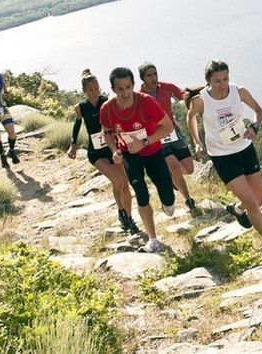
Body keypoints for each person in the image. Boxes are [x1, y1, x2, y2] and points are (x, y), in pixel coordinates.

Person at [185, 60, 262, 260]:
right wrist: (196, 142)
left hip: (245, 149)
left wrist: (254, 127)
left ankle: (237, 209)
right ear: (208, 82)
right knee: (253, 204)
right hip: (222, 157)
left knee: (259, 199)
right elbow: (190, 117)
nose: (222, 85)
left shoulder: (239, 92)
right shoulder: (201, 101)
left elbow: (259, 112)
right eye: (217, 81)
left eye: (225, 79)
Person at [100, 67, 176, 253]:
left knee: (168, 196)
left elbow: (168, 127)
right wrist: (114, 151)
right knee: (140, 191)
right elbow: (107, 132)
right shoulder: (108, 109)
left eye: (128, 87)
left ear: (133, 85)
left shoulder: (146, 102)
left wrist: (144, 142)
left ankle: (167, 201)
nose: (125, 93)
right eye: (120, 89)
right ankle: (153, 239)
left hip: (153, 151)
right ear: (113, 89)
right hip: (129, 155)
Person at [68, 69, 139, 234]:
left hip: (112, 148)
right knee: (117, 181)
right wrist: (73, 144)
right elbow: (77, 125)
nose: (94, 92)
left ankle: (129, 219)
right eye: (90, 90)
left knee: (125, 184)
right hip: (96, 153)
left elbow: (118, 119)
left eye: (97, 88)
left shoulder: (106, 102)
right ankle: (122, 212)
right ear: (85, 91)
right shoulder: (81, 107)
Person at [138, 62, 197, 212]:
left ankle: (170, 176)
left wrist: (201, 91)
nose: (153, 78)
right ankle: (188, 200)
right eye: (149, 75)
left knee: (189, 169)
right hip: (157, 136)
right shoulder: (139, 97)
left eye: (155, 74)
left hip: (173, 132)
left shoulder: (167, 87)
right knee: (175, 166)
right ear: (142, 79)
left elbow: (184, 95)